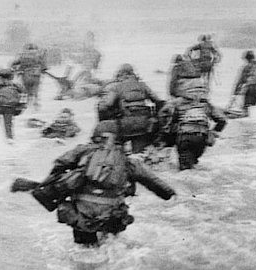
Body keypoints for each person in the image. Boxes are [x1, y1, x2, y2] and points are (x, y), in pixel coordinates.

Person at [12, 120, 176, 246]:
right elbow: (155, 183)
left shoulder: (82, 151)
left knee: (85, 251)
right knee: (110, 246)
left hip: (81, 215)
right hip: (112, 216)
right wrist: (171, 195)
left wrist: (52, 186)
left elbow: (59, 164)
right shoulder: (128, 161)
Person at [98, 63, 164, 153]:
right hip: (144, 125)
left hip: (125, 125)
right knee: (139, 153)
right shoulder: (143, 85)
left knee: (117, 148)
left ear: (121, 75)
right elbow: (158, 101)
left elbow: (106, 106)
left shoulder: (118, 87)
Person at [158, 87, 226, 171]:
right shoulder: (205, 104)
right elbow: (222, 120)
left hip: (184, 137)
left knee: (185, 169)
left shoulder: (177, 102)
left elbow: (162, 113)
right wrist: (214, 132)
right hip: (202, 137)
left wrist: (165, 129)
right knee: (193, 163)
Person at [0, 67, 25, 141]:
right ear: (11, 76)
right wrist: (21, 106)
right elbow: (23, 95)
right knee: (8, 124)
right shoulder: (16, 85)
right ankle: (9, 138)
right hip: (10, 107)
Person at [229, 51, 256, 116]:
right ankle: (251, 122)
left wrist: (235, 92)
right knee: (252, 107)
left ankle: (245, 121)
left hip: (251, 89)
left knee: (246, 108)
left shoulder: (247, 67)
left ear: (246, 59)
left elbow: (240, 80)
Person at [11, 43, 47, 110]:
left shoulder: (22, 55)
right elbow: (44, 66)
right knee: (36, 89)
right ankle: (35, 103)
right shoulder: (38, 55)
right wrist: (42, 69)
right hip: (36, 75)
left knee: (26, 89)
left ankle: (26, 104)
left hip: (26, 74)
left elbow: (13, 64)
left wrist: (16, 70)